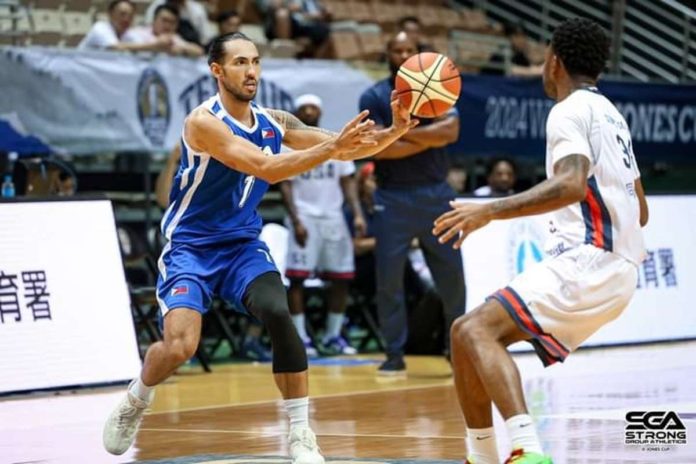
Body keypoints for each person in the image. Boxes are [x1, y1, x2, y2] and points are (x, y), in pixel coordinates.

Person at [102, 31, 417, 461]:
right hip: (191, 247)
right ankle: (137, 399)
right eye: (239, 63)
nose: (251, 71)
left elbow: (349, 151)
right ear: (217, 70)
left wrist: (394, 130)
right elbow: (266, 166)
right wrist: (332, 146)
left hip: (242, 244)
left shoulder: (275, 121)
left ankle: (301, 432)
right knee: (180, 347)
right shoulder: (202, 123)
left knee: (277, 311)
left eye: (255, 61)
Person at [433, 18, 648, 464]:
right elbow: (641, 210)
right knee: (463, 335)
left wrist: (489, 209)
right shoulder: (611, 114)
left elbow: (570, 184)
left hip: (592, 260)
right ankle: (482, 455)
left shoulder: (568, 110)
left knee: (476, 329)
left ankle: (527, 450)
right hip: (619, 269)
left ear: (554, 62)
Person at [358, 31, 466, 376]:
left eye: (409, 49)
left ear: (418, 54)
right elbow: (378, 148)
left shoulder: (439, 86)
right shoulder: (374, 95)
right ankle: (393, 354)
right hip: (391, 197)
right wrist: (421, 138)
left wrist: (398, 134)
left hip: (436, 193)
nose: (403, 53)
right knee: (388, 282)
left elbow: (450, 134)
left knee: (452, 278)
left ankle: (457, 349)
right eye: (396, 49)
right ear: (387, 53)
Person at [155, 146, 271, 362]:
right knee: (178, 337)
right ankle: (171, 335)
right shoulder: (188, 171)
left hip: (230, 251)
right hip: (192, 254)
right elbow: (163, 200)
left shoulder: (226, 161)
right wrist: (172, 161)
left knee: (269, 293)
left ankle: (252, 341)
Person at [280, 94, 366, 357]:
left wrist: (358, 213)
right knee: (297, 279)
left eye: (313, 108)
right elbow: (285, 184)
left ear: (320, 113)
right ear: (296, 113)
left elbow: (348, 182)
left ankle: (332, 335)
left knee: (341, 278)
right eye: (303, 108)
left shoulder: (335, 142)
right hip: (304, 217)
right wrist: (295, 220)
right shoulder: (289, 146)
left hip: (333, 217)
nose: (308, 111)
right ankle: (300, 337)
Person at [78, 0, 167, 52]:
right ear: (110, 14)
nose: (126, 19)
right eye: (122, 14)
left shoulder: (130, 34)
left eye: (130, 16)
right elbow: (116, 47)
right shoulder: (100, 28)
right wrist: (154, 45)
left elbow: (141, 48)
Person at [129, 4, 205, 57]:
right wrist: (156, 46)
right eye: (164, 20)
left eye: (172, 22)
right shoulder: (137, 33)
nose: (168, 26)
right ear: (154, 20)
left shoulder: (174, 38)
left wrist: (182, 49)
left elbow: (199, 51)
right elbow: (124, 47)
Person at [146, 0, 213, 45]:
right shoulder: (157, 5)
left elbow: (205, 39)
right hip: (156, 45)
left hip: (190, 51)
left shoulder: (197, 10)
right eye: (165, 20)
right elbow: (148, 30)